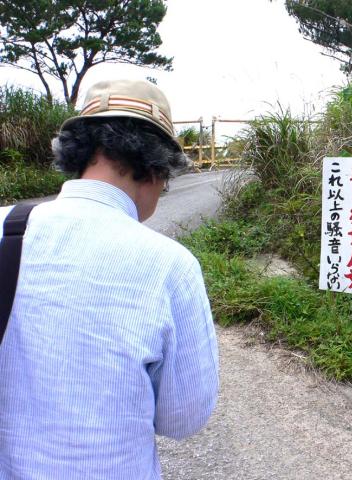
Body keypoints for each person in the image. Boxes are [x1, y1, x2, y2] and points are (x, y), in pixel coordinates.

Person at [0, 79, 219, 479]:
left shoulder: (4, 228)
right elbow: (183, 418)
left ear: (77, 153)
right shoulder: (170, 266)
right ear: (155, 168)